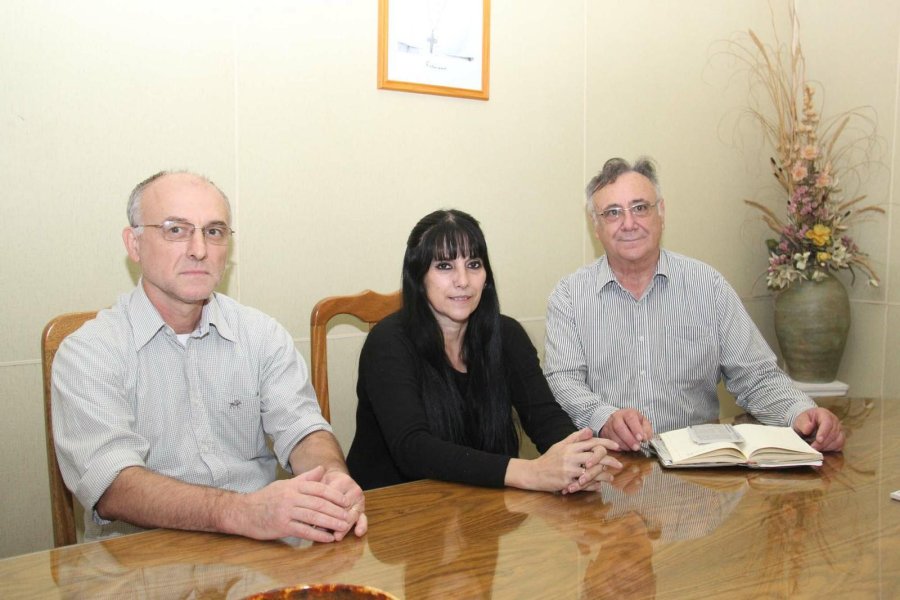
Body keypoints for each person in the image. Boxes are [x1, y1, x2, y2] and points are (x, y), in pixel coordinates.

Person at [51, 170, 366, 542]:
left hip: (260, 557)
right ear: (133, 244)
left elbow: (303, 430)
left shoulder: (261, 335)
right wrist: (242, 512)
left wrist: (332, 480)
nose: (199, 249)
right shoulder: (88, 352)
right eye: (176, 229)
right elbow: (113, 487)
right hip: (141, 568)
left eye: (214, 232)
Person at [544, 157, 845, 453]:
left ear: (661, 212)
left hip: (698, 474)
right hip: (609, 468)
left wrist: (800, 412)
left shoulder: (708, 286)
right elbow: (563, 381)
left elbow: (756, 376)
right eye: (612, 213)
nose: (629, 223)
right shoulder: (570, 296)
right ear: (596, 227)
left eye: (640, 208)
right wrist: (605, 418)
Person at [346, 209, 621, 493]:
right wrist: (529, 472)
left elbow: (547, 420)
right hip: (395, 515)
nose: (463, 280)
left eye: (474, 264)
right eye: (444, 266)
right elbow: (413, 449)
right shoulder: (388, 343)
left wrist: (580, 456)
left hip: (478, 509)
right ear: (418, 276)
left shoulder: (507, 335)